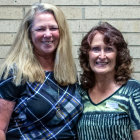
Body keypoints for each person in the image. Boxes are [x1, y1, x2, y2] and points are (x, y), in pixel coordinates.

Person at [0, 2, 83, 140]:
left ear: (61, 32)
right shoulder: (15, 72)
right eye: (40, 29)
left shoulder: (67, 69)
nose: (48, 34)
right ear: (28, 33)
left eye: (53, 28)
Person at [77, 22, 140, 140]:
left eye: (108, 49)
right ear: (87, 55)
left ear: (118, 55)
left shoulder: (133, 91)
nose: (102, 56)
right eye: (95, 49)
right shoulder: (80, 93)